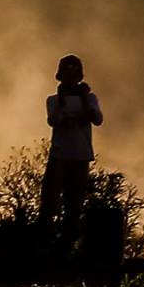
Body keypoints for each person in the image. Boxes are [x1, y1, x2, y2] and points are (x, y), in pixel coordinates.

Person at [40, 54, 103, 245]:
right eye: (67, 70)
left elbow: (98, 119)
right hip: (60, 155)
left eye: (75, 70)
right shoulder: (53, 100)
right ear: (60, 74)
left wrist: (85, 108)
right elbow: (54, 120)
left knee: (74, 204)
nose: (71, 74)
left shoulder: (90, 98)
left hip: (80, 156)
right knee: (50, 202)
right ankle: (47, 240)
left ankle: (67, 243)